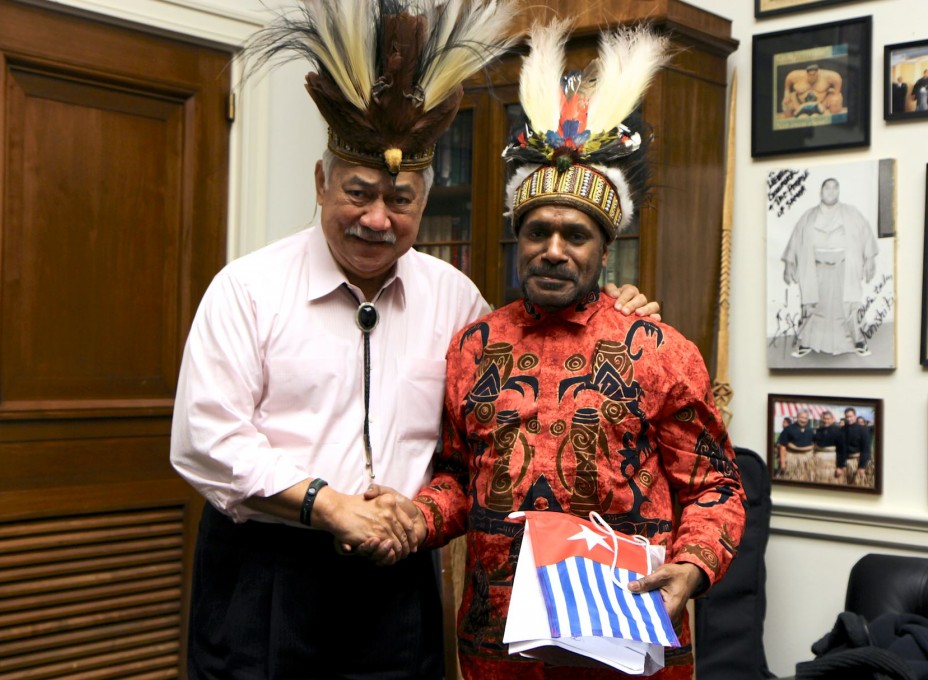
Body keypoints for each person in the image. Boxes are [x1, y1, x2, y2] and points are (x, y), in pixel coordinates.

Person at [169, 3, 658, 678]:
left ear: (424, 201)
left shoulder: (455, 300)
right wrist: (327, 504)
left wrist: (612, 313)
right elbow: (206, 440)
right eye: (358, 192)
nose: (377, 217)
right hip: (269, 575)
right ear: (321, 183)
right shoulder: (247, 290)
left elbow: (531, 371)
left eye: (399, 199)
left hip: (398, 578)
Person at [386, 22, 747, 680]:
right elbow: (459, 482)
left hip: (627, 641)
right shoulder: (473, 348)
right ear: (518, 239)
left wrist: (692, 568)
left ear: (604, 249)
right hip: (499, 647)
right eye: (539, 231)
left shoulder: (660, 351)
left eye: (575, 235)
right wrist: (412, 519)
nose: (554, 249)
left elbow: (717, 490)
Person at [781, 178, 879, 358]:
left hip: (844, 267)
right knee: (813, 305)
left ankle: (857, 341)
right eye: (827, 187)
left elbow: (866, 234)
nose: (831, 191)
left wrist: (870, 258)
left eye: (835, 188)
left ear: (839, 191)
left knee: (847, 305)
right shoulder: (809, 216)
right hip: (816, 269)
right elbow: (796, 239)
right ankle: (807, 342)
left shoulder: (851, 213)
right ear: (821, 191)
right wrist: (789, 263)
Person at [836, 407, 871, 480]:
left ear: (855, 416)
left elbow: (866, 450)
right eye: (847, 417)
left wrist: (862, 467)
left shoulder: (863, 430)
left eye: (850, 416)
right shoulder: (842, 430)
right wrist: (839, 466)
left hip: (857, 463)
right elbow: (839, 450)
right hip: (844, 464)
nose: (849, 419)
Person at [776, 410, 815, 475]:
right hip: (792, 459)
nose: (803, 420)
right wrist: (783, 462)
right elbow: (782, 446)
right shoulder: (788, 429)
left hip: (807, 459)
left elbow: (814, 445)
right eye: (801, 417)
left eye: (805, 418)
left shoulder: (810, 430)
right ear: (797, 417)